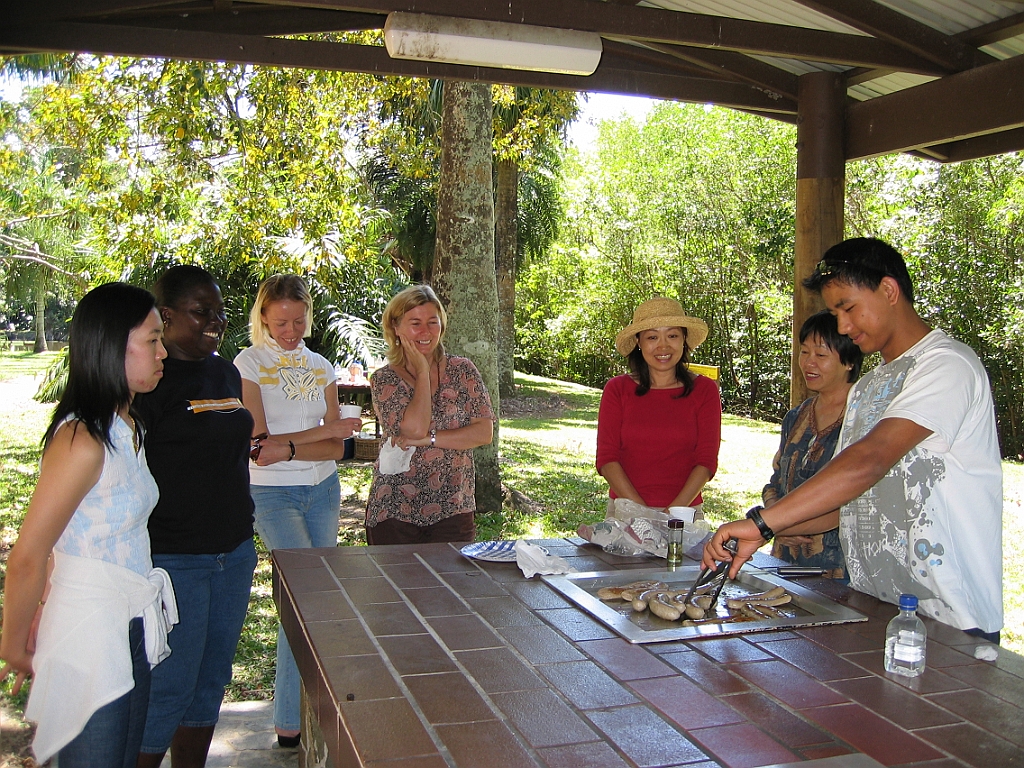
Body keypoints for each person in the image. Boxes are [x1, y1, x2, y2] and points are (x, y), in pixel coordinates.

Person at [704, 237, 1002, 641]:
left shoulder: (946, 365)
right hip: (875, 604)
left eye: (847, 307)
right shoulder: (867, 389)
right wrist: (764, 532)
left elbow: (870, 459)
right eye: (834, 312)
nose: (843, 326)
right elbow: (853, 499)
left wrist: (761, 521)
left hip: (948, 614)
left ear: (889, 290)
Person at [0, 283, 175, 766]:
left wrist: (43, 604)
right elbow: (30, 553)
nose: (164, 352)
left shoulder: (128, 425)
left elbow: (82, 535)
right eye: (153, 339)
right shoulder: (82, 440)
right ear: (112, 346)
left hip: (130, 624)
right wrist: (15, 645)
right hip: (91, 633)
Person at [133, 266, 258, 768]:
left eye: (221, 313)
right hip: (174, 559)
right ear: (166, 316)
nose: (215, 322)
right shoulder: (146, 385)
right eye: (201, 311)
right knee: (170, 687)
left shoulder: (226, 373)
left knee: (211, 682)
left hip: (234, 553)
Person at [233, 274, 361, 748]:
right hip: (271, 494)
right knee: (304, 594)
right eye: (281, 321)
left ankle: (300, 718)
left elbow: (335, 449)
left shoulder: (322, 365)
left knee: (314, 601)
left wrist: (289, 445)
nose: (290, 330)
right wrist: (315, 438)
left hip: (323, 489)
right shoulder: (247, 364)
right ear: (263, 315)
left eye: (299, 321)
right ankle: (293, 717)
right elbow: (258, 445)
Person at [365, 285, 496, 545]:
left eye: (432, 322)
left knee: (450, 585)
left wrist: (429, 439)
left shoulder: (463, 371)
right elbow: (413, 430)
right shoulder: (384, 379)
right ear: (396, 328)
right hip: (394, 510)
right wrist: (423, 373)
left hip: (453, 507)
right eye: (415, 323)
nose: (425, 332)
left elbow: (483, 432)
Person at [596, 297, 722, 516]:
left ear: (684, 339)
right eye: (652, 337)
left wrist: (671, 513)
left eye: (672, 335)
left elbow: (706, 460)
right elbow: (607, 458)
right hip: (627, 513)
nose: (663, 346)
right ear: (638, 342)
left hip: (685, 513)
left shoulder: (705, 390)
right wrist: (644, 514)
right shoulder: (617, 389)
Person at [763, 310, 863, 580]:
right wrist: (776, 524)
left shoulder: (863, 419)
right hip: (786, 564)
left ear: (849, 362)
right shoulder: (796, 418)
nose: (808, 363)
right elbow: (776, 482)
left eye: (820, 355)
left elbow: (858, 502)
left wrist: (780, 525)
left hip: (841, 568)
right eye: (804, 352)